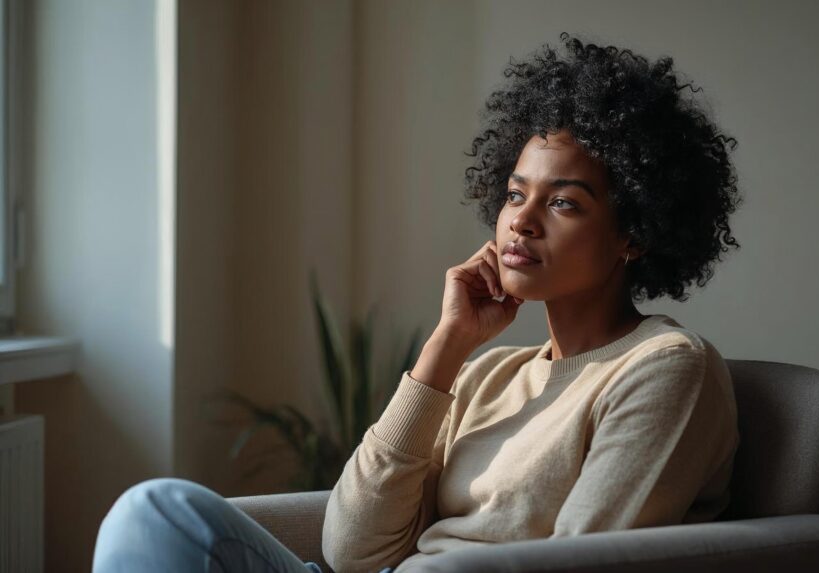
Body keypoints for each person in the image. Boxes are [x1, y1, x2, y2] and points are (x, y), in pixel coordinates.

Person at [92, 32, 742, 573]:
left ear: (636, 234)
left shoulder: (664, 366)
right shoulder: (488, 374)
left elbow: (583, 561)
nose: (522, 222)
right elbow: (352, 548)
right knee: (154, 510)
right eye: (515, 195)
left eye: (564, 202)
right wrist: (446, 346)